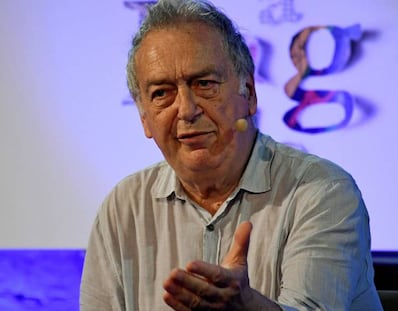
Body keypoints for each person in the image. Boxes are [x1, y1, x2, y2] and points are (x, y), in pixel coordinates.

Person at [80, 0, 383, 310]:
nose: (186, 110)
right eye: (161, 93)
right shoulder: (123, 208)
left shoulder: (323, 191)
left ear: (249, 93)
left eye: (205, 84)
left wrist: (247, 307)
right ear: (144, 118)